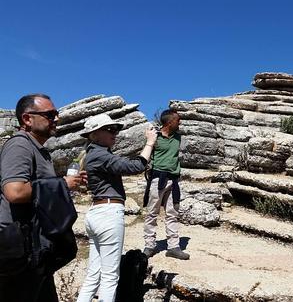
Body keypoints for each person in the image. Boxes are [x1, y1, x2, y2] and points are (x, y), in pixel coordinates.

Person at [0, 94, 85, 302]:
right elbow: (15, 191)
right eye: (50, 114)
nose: (56, 118)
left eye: (56, 113)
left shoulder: (39, 150)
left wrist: (64, 185)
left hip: (34, 246)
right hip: (18, 249)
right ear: (27, 119)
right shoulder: (20, 145)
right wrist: (63, 184)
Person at [76, 114, 157, 302]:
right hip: (108, 214)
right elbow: (136, 166)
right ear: (94, 134)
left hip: (98, 214)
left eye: (116, 129)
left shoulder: (93, 153)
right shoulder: (100, 155)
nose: (115, 133)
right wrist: (150, 143)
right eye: (109, 129)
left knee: (93, 275)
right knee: (110, 276)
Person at [142, 109, 189, 260]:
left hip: (174, 180)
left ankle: (174, 247)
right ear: (169, 122)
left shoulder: (178, 137)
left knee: (173, 214)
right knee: (151, 213)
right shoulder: (154, 137)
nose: (180, 122)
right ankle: (149, 246)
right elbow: (146, 154)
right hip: (157, 179)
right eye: (177, 120)